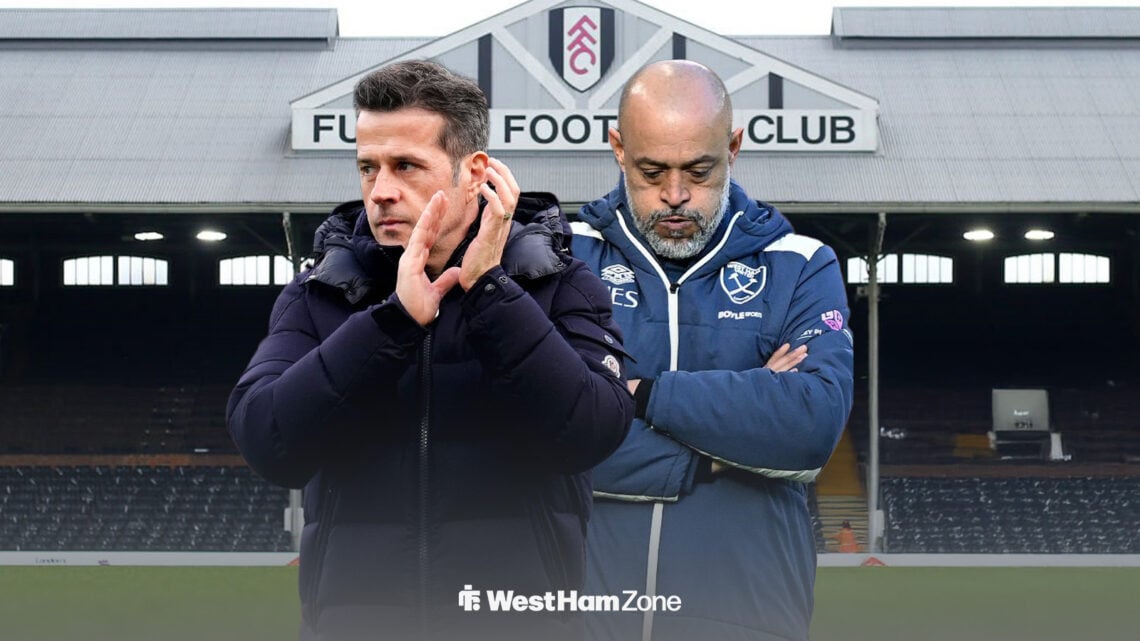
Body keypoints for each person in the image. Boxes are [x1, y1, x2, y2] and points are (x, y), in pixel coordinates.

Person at [227, 60, 634, 641]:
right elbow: (267, 443)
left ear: (475, 173)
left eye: (406, 166)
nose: (381, 191)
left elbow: (594, 429)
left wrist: (491, 291)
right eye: (368, 167)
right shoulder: (321, 291)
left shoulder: (559, 283)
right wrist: (391, 323)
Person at [571, 60, 854, 641]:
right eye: (652, 172)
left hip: (747, 617)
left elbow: (808, 426)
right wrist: (719, 453)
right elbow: (531, 429)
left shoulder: (801, 264)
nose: (675, 196)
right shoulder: (564, 258)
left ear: (734, 147)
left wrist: (636, 393)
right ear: (618, 148)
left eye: (699, 170)